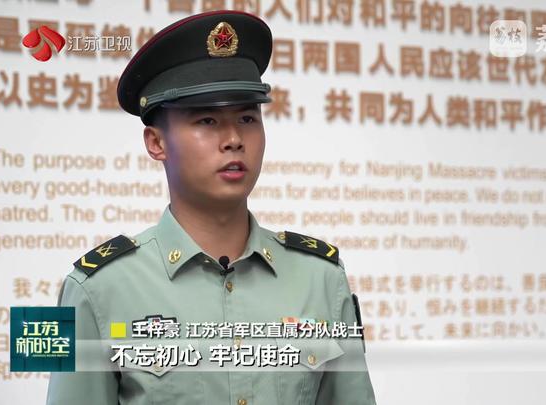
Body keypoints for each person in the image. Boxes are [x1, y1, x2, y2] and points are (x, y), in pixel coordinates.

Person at [46, 10, 377, 405]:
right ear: (156, 143)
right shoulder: (94, 289)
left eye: (247, 117)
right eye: (206, 120)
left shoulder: (321, 278)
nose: (234, 138)